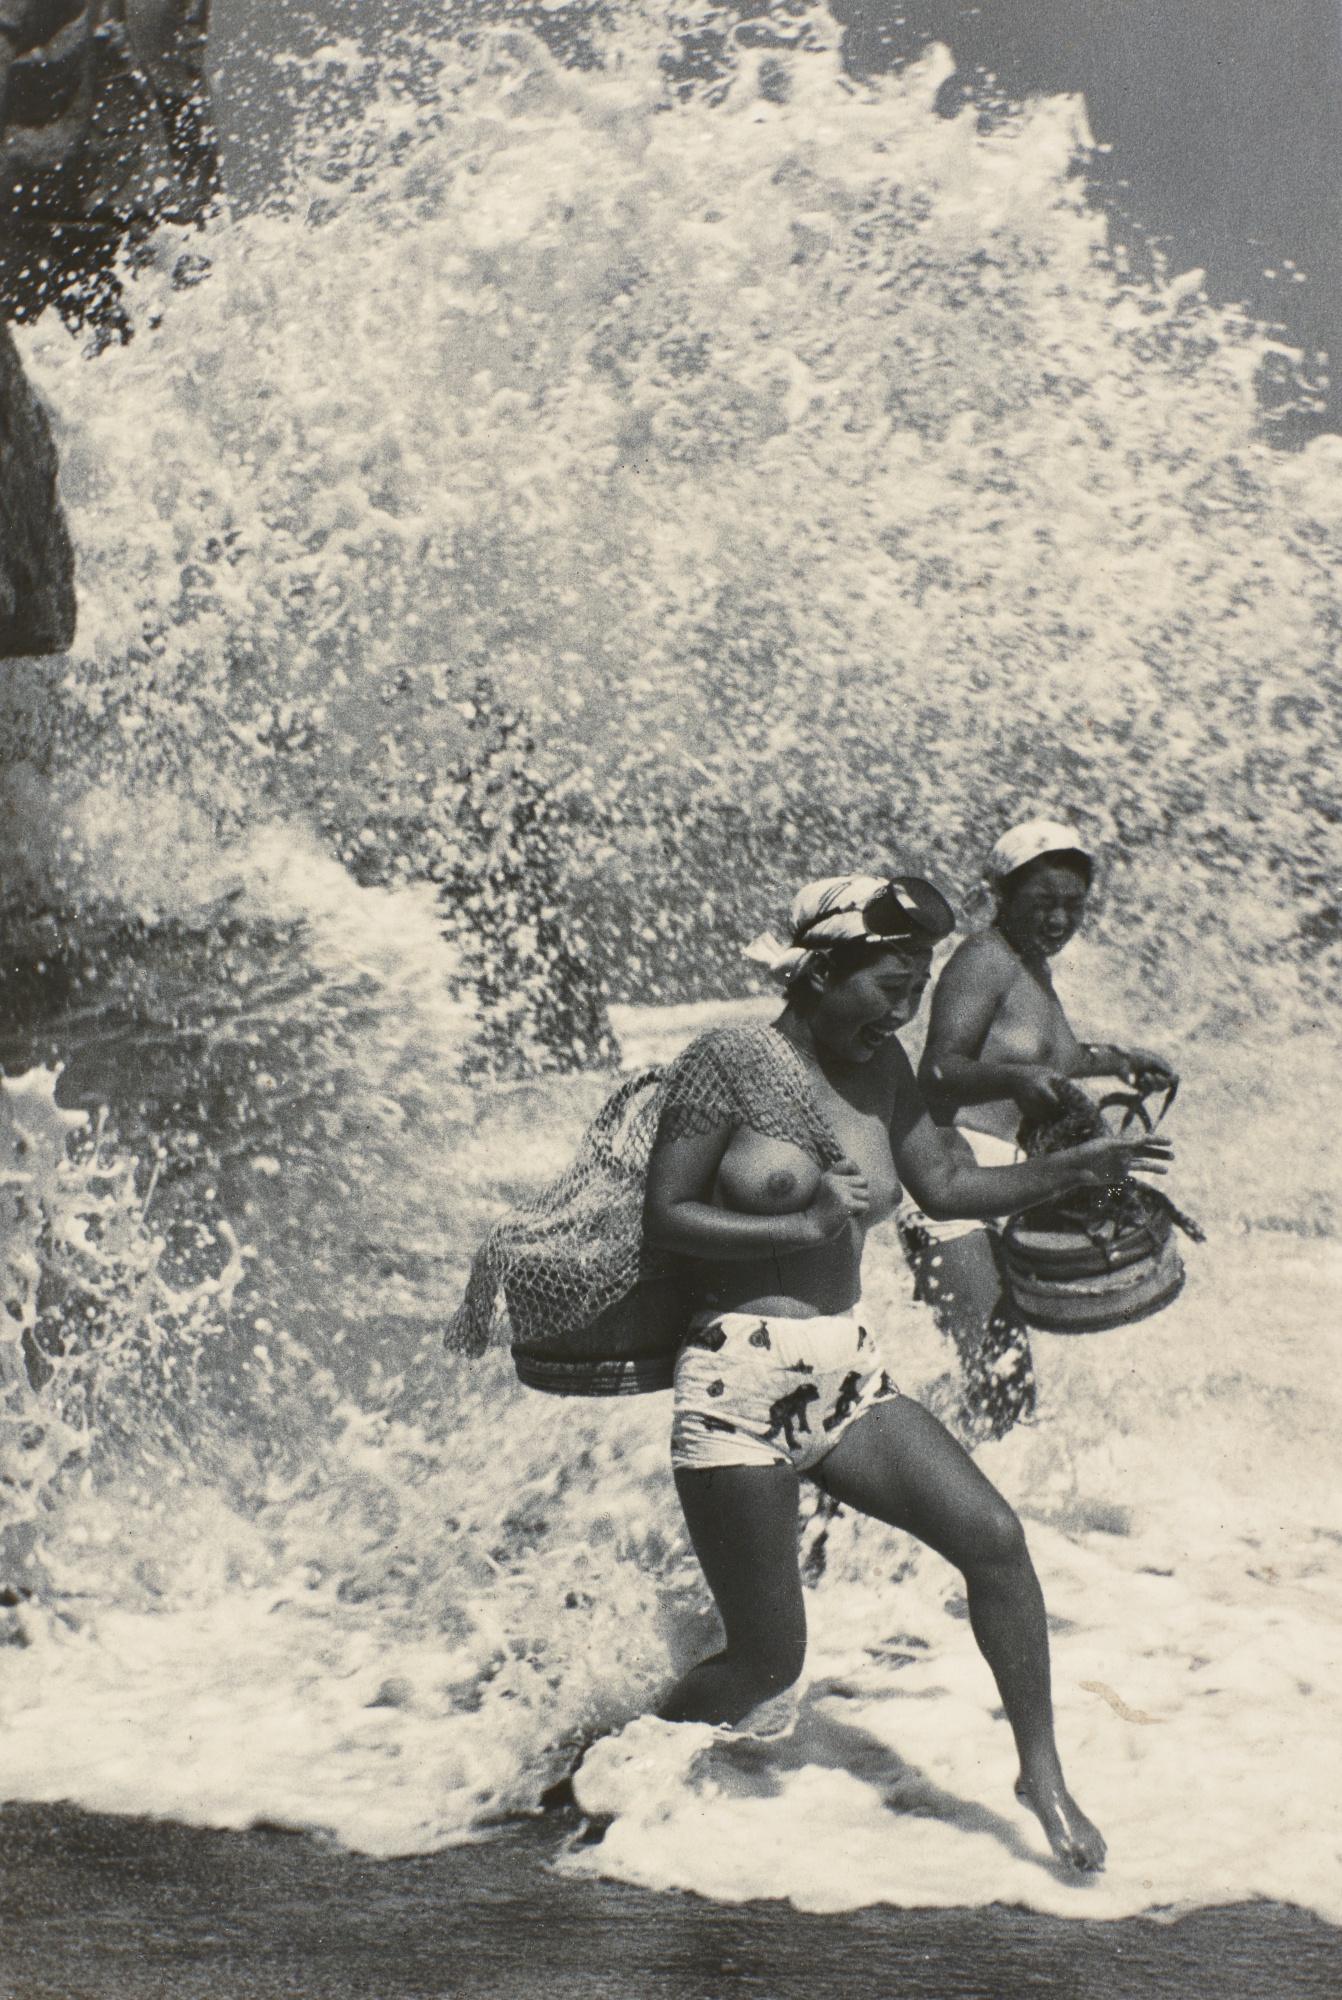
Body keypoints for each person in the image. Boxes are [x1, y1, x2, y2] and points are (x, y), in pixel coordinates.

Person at [642, 871, 1173, 1874]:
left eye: (917, 984)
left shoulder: (881, 1067)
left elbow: (948, 1182)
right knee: (767, 1660)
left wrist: (1075, 1169)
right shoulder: (727, 1061)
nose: (904, 1007)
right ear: (823, 969)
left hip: (848, 1375)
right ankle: (624, 1755)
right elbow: (666, 1213)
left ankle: (1042, 1773)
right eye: (888, 983)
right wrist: (795, 1220)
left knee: (994, 1539)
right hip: (736, 1387)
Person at [901, 819, 1178, 1437]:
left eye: (1073, 906)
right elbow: (939, 1070)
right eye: (1043, 903)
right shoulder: (985, 959)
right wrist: (1013, 1081)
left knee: (1001, 1377)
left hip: (1012, 1181)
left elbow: (1062, 1058)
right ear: (1001, 893)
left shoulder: (1031, 969)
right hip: (951, 1179)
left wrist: (1124, 1061)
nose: (1059, 920)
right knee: (1004, 1378)